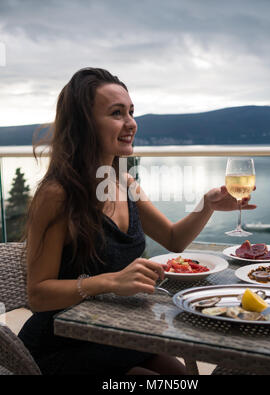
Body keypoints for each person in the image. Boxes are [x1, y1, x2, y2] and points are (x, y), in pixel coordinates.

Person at [18, 67, 256, 375]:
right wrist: (111, 282)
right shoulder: (57, 194)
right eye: (117, 113)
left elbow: (173, 239)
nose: (131, 123)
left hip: (118, 331)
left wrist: (206, 205)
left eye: (131, 111)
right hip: (63, 343)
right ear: (83, 125)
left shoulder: (123, 181)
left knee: (184, 377)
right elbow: (38, 295)